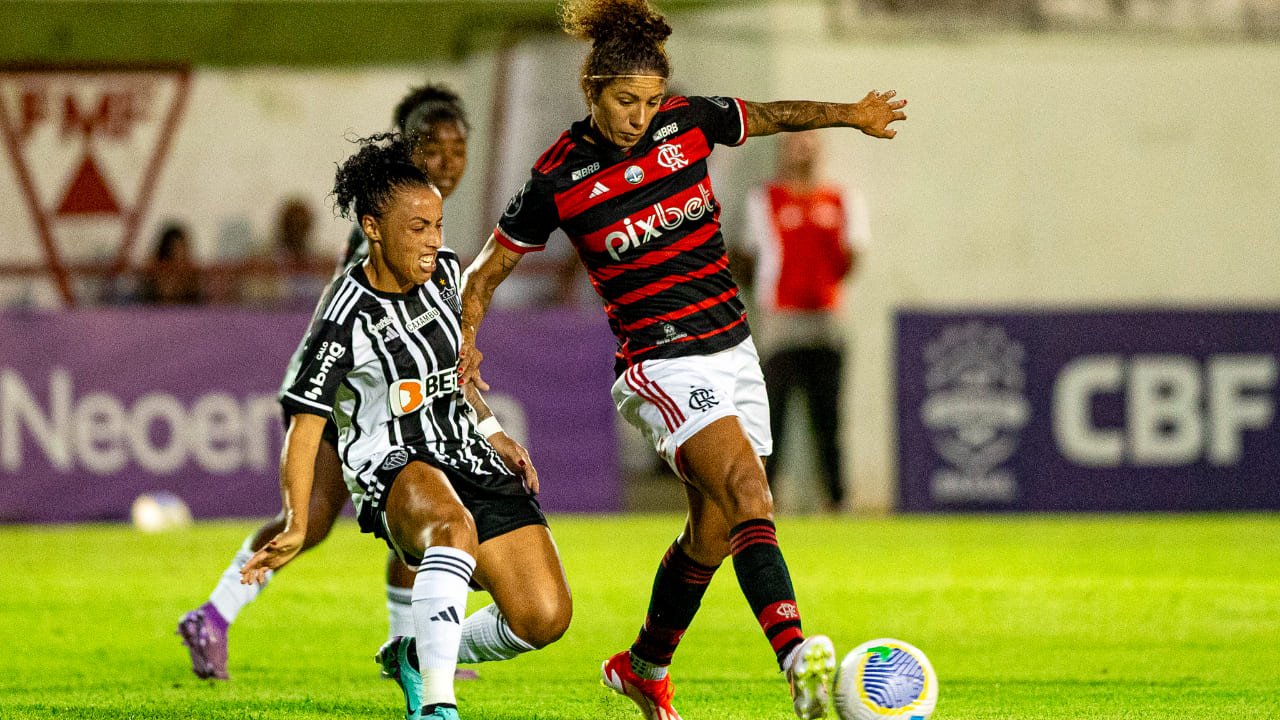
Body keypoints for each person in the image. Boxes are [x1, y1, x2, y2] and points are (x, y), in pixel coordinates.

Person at [457, 1, 906, 718]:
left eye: (649, 101)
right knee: (751, 495)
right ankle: (798, 664)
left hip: (733, 348)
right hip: (660, 364)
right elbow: (485, 270)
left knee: (718, 529)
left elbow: (770, 114)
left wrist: (850, 113)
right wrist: (468, 335)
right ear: (593, 92)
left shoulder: (686, 124)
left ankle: (642, 667)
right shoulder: (559, 176)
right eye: (624, 101)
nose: (638, 116)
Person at [178, 85, 509, 684]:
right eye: (433, 148)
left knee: (420, 517)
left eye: (459, 149)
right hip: (343, 391)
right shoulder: (387, 228)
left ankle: (408, 646)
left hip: (387, 398)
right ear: (408, 151)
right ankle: (216, 613)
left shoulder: (422, 224)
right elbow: (358, 322)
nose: (448, 161)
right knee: (318, 513)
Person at [240, 134, 571, 720]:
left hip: (468, 451)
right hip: (394, 462)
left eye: (438, 225)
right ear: (373, 227)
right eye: (417, 228)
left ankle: (417, 656)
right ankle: (437, 706)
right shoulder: (344, 314)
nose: (434, 242)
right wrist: (296, 521)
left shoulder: (446, 273)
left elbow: (455, 370)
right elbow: (307, 422)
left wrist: (492, 430)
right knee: (450, 527)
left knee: (543, 618)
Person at [736, 131, 868, 513]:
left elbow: (853, 253)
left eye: (810, 145)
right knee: (772, 413)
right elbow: (748, 255)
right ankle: (765, 499)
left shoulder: (841, 199)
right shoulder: (766, 199)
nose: (803, 152)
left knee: (829, 414)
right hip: (782, 319)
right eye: (796, 145)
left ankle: (836, 500)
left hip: (827, 318)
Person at [139, 222, 203, 304]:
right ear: (167, 249)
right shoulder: (155, 269)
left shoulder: (191, 271)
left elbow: (193, 295)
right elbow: (165, 295)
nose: (179, 252)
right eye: (175, 248)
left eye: (182, 247)